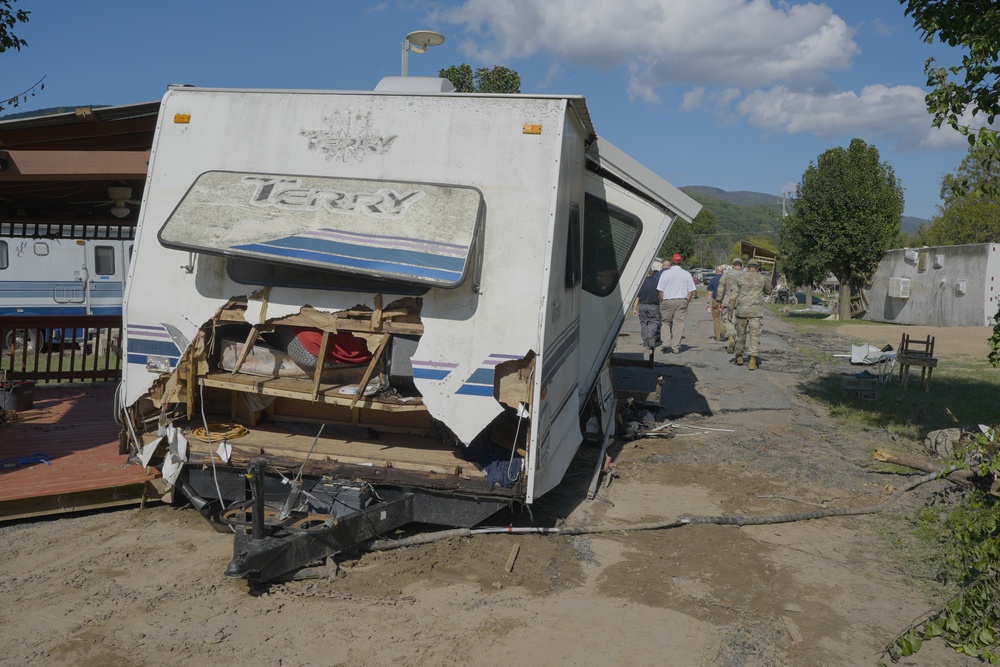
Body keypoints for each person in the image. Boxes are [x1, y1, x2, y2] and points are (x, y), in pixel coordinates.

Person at [725, 258, 773, 370]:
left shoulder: (740, 278)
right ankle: (752, 360)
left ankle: (739, 356)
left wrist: (730, 311)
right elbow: (768, 291)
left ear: (747, 266)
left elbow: (733, 296)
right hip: (756, 312)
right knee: (754, 336)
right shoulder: (763, 278)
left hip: (741, 311)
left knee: (741, 335)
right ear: (757, 267)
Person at [656, 253, 696, 354]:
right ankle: (676, 346)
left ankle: (665, 342)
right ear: (680, 261)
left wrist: (662, 300)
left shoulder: (665, 273)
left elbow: (660, 290)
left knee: (666, 322)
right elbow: (691, 290)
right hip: (682, 300)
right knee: (679, 324)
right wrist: (687, 300)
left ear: (672, 261)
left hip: (667, 300)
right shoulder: (686, 274)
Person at [632, 260, 663, 349]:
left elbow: (637, 297)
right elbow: (659, 294)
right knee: (655, 321)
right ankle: (651, 334)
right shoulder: (656, 283)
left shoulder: (640, 284)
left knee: (643, 323)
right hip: (653, 306)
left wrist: (634, 309)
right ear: (651, 273)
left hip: (642, 306)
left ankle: (645, 341)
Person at [718, 258, 744, 352]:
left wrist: (719, 301)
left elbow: (720, 288)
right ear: (741, 265)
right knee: (739, 323)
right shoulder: (745, 275)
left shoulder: (727, 274)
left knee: (728, 321)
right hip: (741, 303)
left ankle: (731, 338)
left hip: (728, 301)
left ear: (733, 265)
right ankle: (737, 341)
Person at [707, 265, 725, 341]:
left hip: (715, 300)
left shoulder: (713, 280)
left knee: (716, 318)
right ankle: (723, 332)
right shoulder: (726, 280)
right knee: (723, 318)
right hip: (724, 301)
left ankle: (717, 336)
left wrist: (708, 302)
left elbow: (710, 292)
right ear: (723, 271)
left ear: (716, 271)